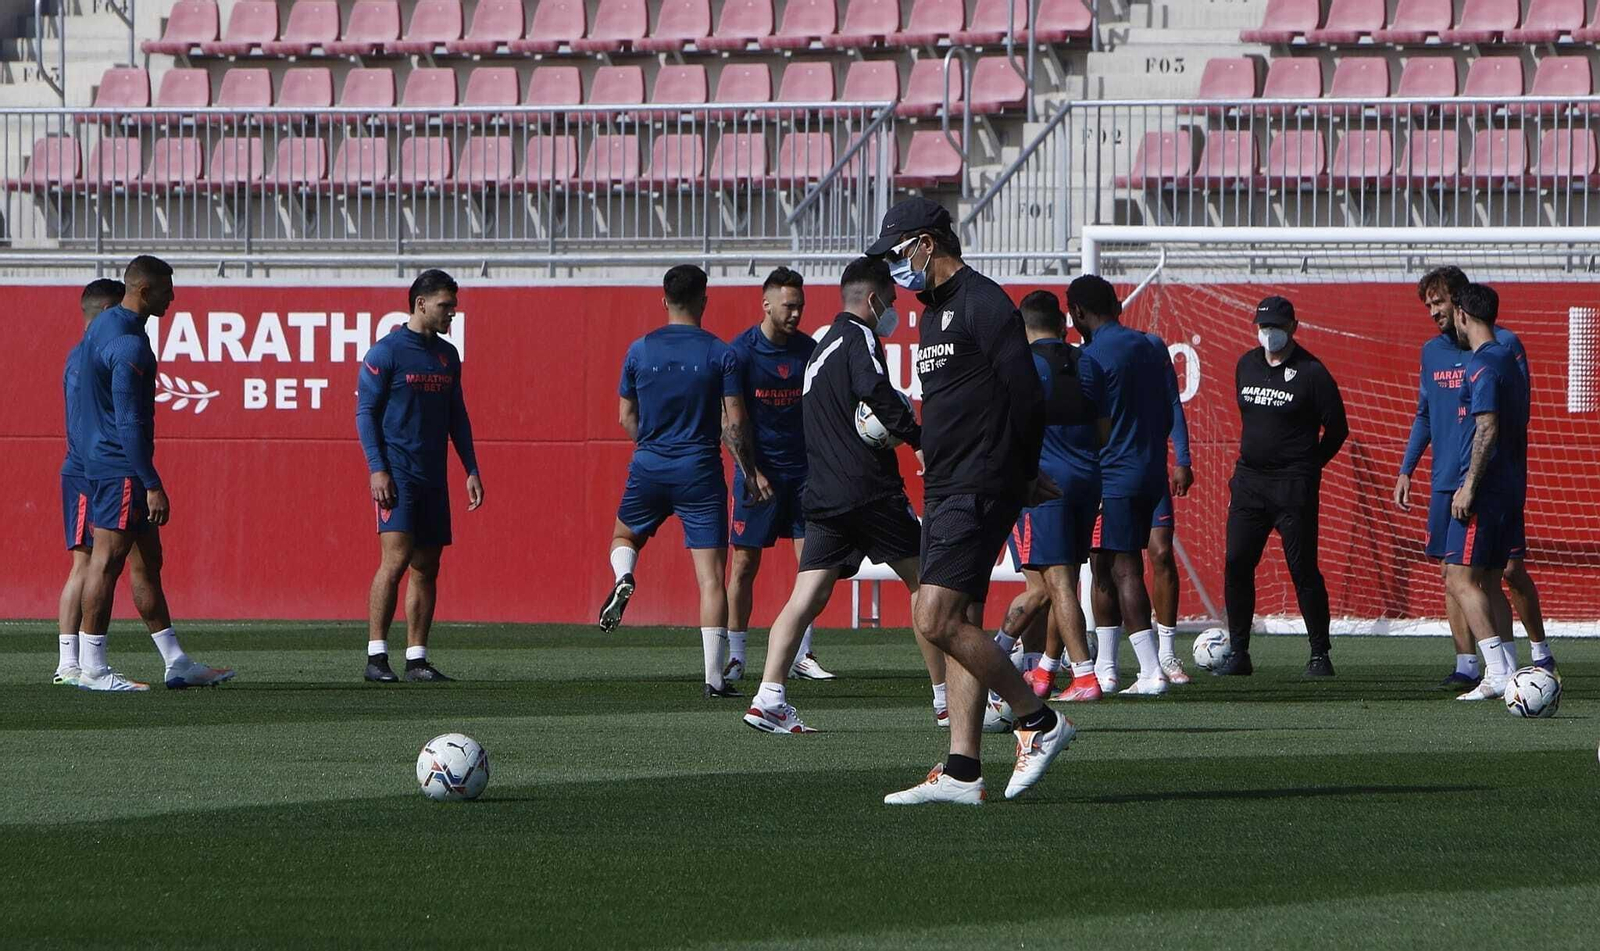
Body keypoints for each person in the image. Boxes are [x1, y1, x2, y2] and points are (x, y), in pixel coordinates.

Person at [868, 198, 1074, 805]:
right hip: (949, 483)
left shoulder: (984, 303)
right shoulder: (932, 315)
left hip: (977, 485)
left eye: (898, 252)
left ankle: (1039, 721)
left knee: (932, 620)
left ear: (926, 245)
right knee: (958, 623)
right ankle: (963, 770)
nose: (893, 268)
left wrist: (1021, 472)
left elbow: (1026, 397)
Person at [742, 256, 938, 734]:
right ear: (873, 300)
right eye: (891, 301)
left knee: (806, 594)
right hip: (868, 490)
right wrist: (916, 436)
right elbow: (873, 387)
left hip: (824, 492)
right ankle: (949, 699)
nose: (893, 310)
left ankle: (769, 697)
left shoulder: (820, 348)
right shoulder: (859, 338)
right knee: (926, 584)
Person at [598, 265, 771, 699]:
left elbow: (624, 416)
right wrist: (750, 473)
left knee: (624, 536)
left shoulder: (639, 349)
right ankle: (714, 678)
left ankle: (625, 576)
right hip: (699, 470)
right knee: (712, 577)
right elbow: (734, 422)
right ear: (704, 300)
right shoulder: (720, 353)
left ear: (664, 300)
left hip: (650, 464)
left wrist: (652, 446)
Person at [73, 256, 234, 691]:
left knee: (148, 564)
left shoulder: (104, 327)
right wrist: (151, 482)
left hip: (106, 460)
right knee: (105, 562)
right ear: (143, 291)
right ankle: (92, 668)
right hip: (121, 468)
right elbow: (128, 421)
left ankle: (176, 661)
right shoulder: (129, 344)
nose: (173, 297)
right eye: (166, 289)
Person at [1394, 266, 1555, 687]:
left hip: (1485, 482)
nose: (1433, 311)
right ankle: (1471, 665)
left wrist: (1494, 475)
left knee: (1502, 572)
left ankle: (1526, 659)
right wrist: (1407, 468)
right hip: (1449, 480)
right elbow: (1424, 414)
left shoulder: (1500, 349)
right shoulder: (1432, 353)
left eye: (1439, 302)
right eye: (1427, 304)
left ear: (1461, 304)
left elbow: (1508, 418)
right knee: (1455, 574)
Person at [357, 269, 484, 683]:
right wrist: (378, 469)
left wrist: (470, 468)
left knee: (427, 566)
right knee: (394, 561)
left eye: (454, 307)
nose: (452, 314)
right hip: (398, 475)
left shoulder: (448, 356)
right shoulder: (386, 352)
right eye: (446, 306)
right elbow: (366, 415)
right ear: (421, 304)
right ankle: (377, 657)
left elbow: (457, 417)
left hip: (433, 477)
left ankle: (416, 659)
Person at [1214, 296, 1348, 677]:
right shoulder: (1247, 364)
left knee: (1302, 567)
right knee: (1237, 562)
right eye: (1262, 326)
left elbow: (1337, 427)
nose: (1268, 333)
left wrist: (1310, 465)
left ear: (1293, 327)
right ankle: (1239, 651)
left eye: (1275, 326)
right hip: (1250, 483)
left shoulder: (1312, 372)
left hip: (1293, 486)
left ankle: (1320, 654)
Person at [723, 267, 833, 684]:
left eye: (800, 306)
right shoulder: (740, 353)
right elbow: (730, 421)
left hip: (805, 476)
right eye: (789, 305)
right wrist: (751, 472)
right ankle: (736, 656)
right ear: (766, 304)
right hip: (758, 476)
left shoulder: (809, 350)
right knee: (745, 565)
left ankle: (803, 654)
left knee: (811, 566)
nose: (796, 313)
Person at [1068, 275, 1177, 697]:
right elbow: (1169, 411)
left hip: (1113, 475)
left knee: (1122, 568)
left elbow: (1091, 426)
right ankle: (1108, 669)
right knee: (1104, 566)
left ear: (1078, 312)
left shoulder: (1091, 356)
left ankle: (1150, 672)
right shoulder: (1151, 346)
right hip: (1150, 472)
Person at [993, 290, 1103, 704]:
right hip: (1088, 479)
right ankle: (1040, 671)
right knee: (1057, 584)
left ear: (1022, 329)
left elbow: (1011, 428)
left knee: (1054, 583)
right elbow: (1103, 427)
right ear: (1062, 325)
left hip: (1044, 485)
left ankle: (1084, 676)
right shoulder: (1088, 362)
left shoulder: (1023, 365)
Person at [1083, 319, 1196, 691]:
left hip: (1138, 474)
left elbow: (1171, 402)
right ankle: (1108, 664)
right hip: (1115, 474)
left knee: (1155, 553)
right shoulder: (1095, 356)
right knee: (1103, 564)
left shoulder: (1150, 347)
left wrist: (1182, 457)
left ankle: (1161, 656)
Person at [1441, 284, 1532, 702]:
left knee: (1460, 578)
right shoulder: (1509, 360)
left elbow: (1488, 427)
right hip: (1509, 487)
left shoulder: (1483, 365)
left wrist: (1469, 486)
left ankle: (1494, 672)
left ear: (1461, 314)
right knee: (1492, 580)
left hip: (1485, 490)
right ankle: (1513, 672)